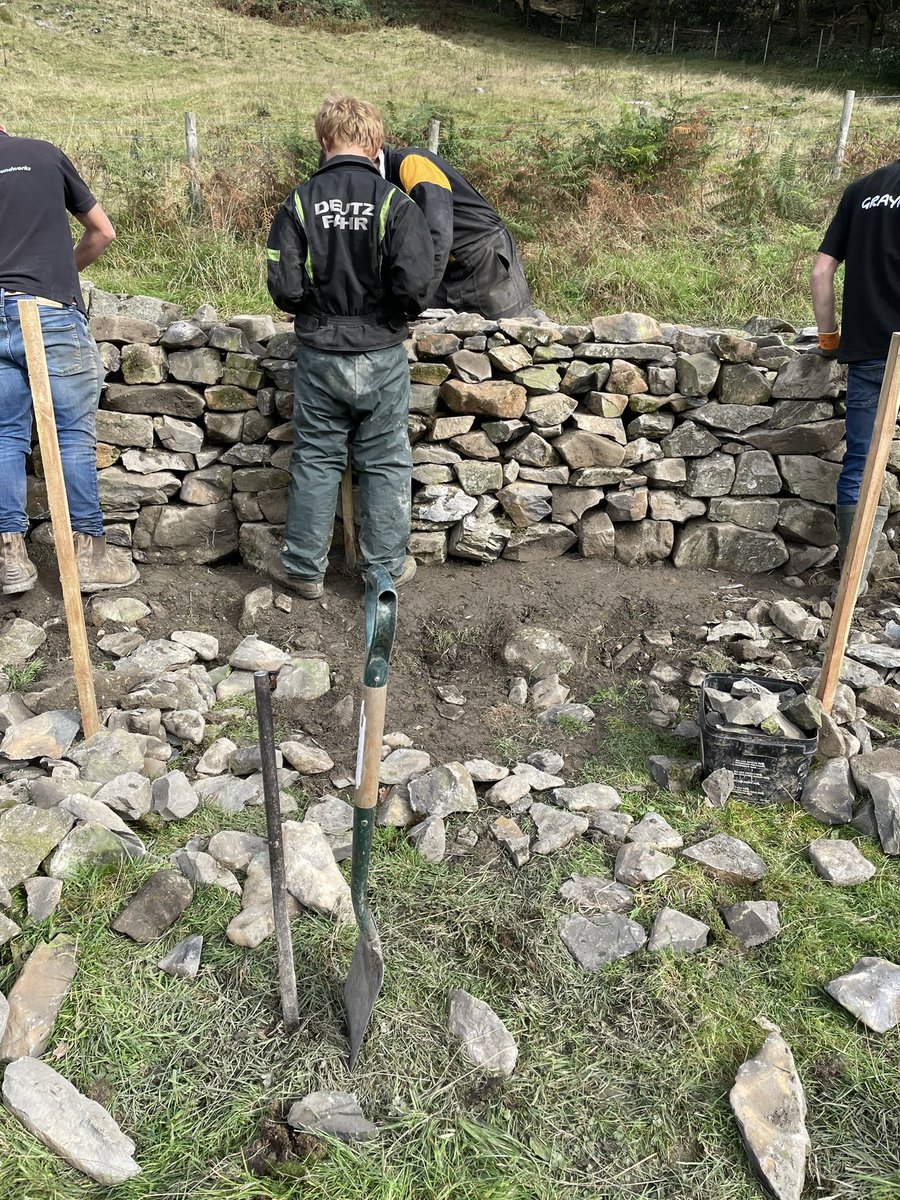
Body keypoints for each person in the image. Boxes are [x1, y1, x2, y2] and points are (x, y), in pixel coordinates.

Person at [266, 95, 435, 598]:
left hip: (320, 350)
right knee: (385, 460)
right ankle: (382, 573)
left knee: (317, 458)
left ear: (323, 140)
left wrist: (315, 307)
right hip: (381, 351)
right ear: (377, 144)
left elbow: (285, 288)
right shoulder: (395, 204)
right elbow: (416, 289)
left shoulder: (297, 203)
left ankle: (303, 570)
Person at [0, 123, 138, 594]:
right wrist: (61, 274)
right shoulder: (42, 153)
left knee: (5, 437)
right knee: (73, 438)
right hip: (52, 315)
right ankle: (88, 556)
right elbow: (102, 232)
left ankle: (9, 558)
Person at [811, 161, 900, 595]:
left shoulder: (862, 190)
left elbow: (821, 272)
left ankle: (852, 583)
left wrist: (829, 339)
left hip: (869, 352)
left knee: (861, 461)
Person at [379, 142, 542, 320]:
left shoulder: (411, 162)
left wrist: (418, 294)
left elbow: (437, 232)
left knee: (508, 335)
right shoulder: (382, 180)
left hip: (483, 257)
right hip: (449, 264)